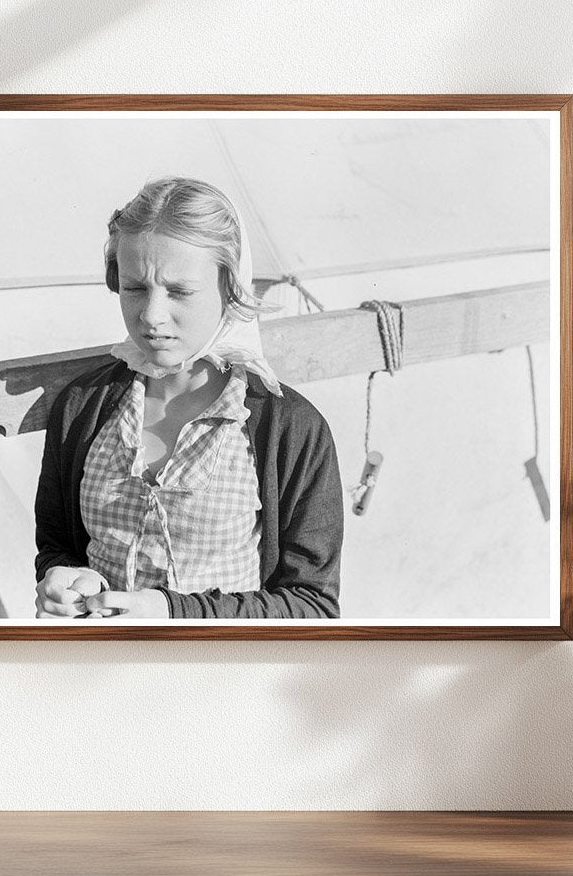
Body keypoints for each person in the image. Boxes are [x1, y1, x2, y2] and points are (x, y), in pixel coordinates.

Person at [34, 176, 343, 620]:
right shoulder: (85, 407)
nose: (152, 315)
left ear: (230, 287)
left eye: (180, 291)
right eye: (135, 288)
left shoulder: (288, 427)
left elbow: (312, 604)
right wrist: (63, 579)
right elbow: (58, 545)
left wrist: (172, 613)